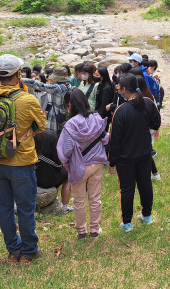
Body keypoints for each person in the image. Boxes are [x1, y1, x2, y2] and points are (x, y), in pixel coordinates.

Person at [0, 54, 47, 263]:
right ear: (18, 74)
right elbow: (42, 125)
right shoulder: (27, 99)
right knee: (25, 208)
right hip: (21, 161)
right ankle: (29, 250)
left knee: (3, 208)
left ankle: (13, 250)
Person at [108, 74, 161, 232]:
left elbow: (115, 140)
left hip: (125, 159)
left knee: (126, 189)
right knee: (145, 185)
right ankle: (146, 216)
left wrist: (112, 161)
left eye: (119, 87)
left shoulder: (121, 111)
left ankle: (127, 223)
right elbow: (156, 122)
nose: (118, 89)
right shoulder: (148, 103)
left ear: (124, 89)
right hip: (145, 154)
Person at [57, 88, 109, 239]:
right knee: (95, 197)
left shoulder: (71, 124)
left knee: (79, 200)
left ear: (70, 105)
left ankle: (81, 231)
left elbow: (65, 150)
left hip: (78, 167)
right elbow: (104, 138)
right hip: (97, 164)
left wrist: (67, 164)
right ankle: (94, 229)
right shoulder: (96, 117)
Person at [34, 128, 72, 214]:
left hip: (32, 176)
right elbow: (58, 161)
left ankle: (56, 198)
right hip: (48, 179)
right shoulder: (50, 135)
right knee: (68, 175)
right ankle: (65, 206)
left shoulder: (25, 134)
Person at [22, 67, 71, 133]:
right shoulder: (70, 86)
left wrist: (22, 80)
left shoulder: (57, 88)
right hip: (65, 118)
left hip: (56, 120)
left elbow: (39, 85)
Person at [133, 73, 162, 181]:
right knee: (146, 151)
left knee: (145, 152)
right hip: (148, 128)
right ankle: (153, 173)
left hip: (143, 129)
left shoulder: (142, 99)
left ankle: (153, 173)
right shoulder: (150, 96)